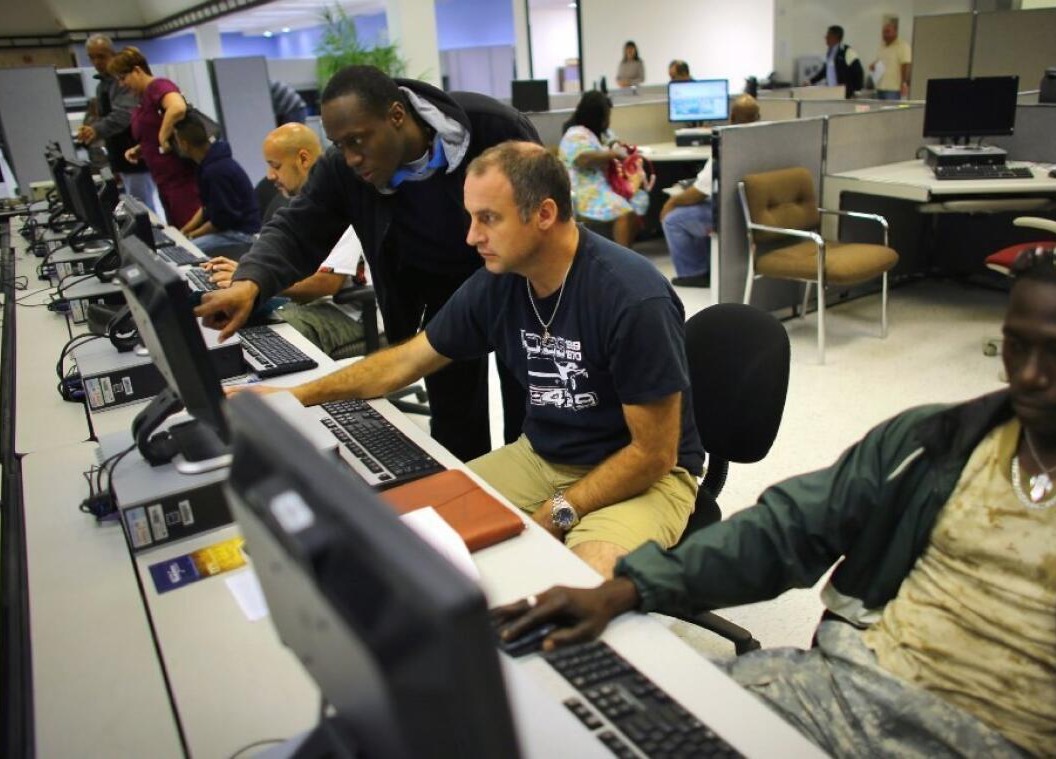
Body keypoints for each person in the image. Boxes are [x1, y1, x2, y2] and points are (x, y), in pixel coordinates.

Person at [496, 242, 1056, 758]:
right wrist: (624, 589)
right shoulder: (935, 441)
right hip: (855, 688)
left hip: (1007, 739)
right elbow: (787, 527)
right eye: (1016, 346)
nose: (1027, 375)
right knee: (636, 729)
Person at [237, 142, 704, 579]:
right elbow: (404, 363)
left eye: (488, 219)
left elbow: (653, 454)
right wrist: (291, 397)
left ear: (544, 214)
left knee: (585, 584)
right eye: (470, 218)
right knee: (399, 540)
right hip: (542, 457)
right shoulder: (501, 279)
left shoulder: (631, 297)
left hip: (645, 478)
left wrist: (561, 509)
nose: (471, 237)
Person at [194, 65, 539, 462]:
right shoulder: (345, 168)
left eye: (358, 140)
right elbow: (296, 228)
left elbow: (545, 212)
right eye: (340, 145)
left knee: (528, 420)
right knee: (455, 427)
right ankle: (471, 507)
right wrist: (250, 282)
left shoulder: (492, 128)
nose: (352, 157)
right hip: (440, 297)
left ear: (396, 116)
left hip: (518, 289)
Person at [205, 123, 368, 360]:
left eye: (275, 166)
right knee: (242, 322)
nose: (270, 176)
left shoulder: (340, 204)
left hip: (345, 312)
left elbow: (326, 283)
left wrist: (260, 284)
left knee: (262, 338)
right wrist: (248, 278)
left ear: (303, 159)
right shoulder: (295, 205)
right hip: (310, 305)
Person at [659, 95, 760, 287]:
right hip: (751, 209)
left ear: (731, 117)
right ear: (758, 117)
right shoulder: (763, 139)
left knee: (673, 219)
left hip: (729, 213)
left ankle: (695, 273)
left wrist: (671, 203)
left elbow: (698, 193)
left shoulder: (726, 146)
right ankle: (707, 265)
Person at [107, 47, 200, 229]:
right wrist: (141, 149)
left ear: (137, 70)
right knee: (178, 231)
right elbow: (152, 132)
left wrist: (162, 137)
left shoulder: (159, 86)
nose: (122, 84)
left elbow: (177, 108)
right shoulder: (143, 99)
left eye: (123, 78)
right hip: (164, 181)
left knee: (190, 231)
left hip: (181, 180)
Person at [76, 35, 163, 222]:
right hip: (123, 157)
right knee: (138, 207)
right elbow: (107, 117)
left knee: (144, 209)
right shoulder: (103, 86)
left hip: (137, 159)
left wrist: (96, 129)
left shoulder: (129, 84)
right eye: (92, 57)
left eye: (101, 56)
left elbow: (124, 115)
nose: (96, 62)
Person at [559, 91, 649, 248]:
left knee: (639, 198)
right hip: (586, 192)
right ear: (596, 116)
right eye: (606, 116)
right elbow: (582, 158)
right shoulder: (575, 134)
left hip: (605, 186)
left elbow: (613, 141)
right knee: (624, 212)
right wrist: (612, 154)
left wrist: (618, 147)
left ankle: (626, 247)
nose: (608, 120)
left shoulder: (600, 133)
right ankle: (622, 258)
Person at [172, 116, 261, 258]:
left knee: (185, 252)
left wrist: (189, 237)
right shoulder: (210, 164)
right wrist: (184, 231)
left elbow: (221, 222)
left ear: (183, 143)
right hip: (232, 229)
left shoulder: (215, 172)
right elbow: (206, 208)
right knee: (185, 245)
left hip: (243, 234)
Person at [810, 25, 863, 98]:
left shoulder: (847, 51)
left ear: (835, 37)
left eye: (828, 34)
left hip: (845, 94)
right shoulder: (830, 52)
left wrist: (857, 90)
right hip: (832, 92)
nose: (826, 37)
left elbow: (858, 71)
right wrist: (811, 81)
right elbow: (825, 71)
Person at [871, 18, 911, 100]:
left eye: (888, 32)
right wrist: (873, 65)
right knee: (879, 112)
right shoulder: (882, 47)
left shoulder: (903, 46)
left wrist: (904, 83)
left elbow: (906, 66)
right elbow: (879, 62)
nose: (885, 34)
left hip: (893, 89)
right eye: (883, 32)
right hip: (880, 86)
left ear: (895, 32)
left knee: (890, 111)